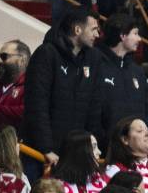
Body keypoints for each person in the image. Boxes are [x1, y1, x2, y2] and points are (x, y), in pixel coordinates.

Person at [22, 9, 101, 170]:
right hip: (42, 155)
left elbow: (93, 107)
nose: (97, 35)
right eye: (93, 29)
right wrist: (46, 148)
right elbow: (37, 104)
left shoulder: (92, 59)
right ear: (77, 30)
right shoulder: (46, 54)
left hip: (74, 154)